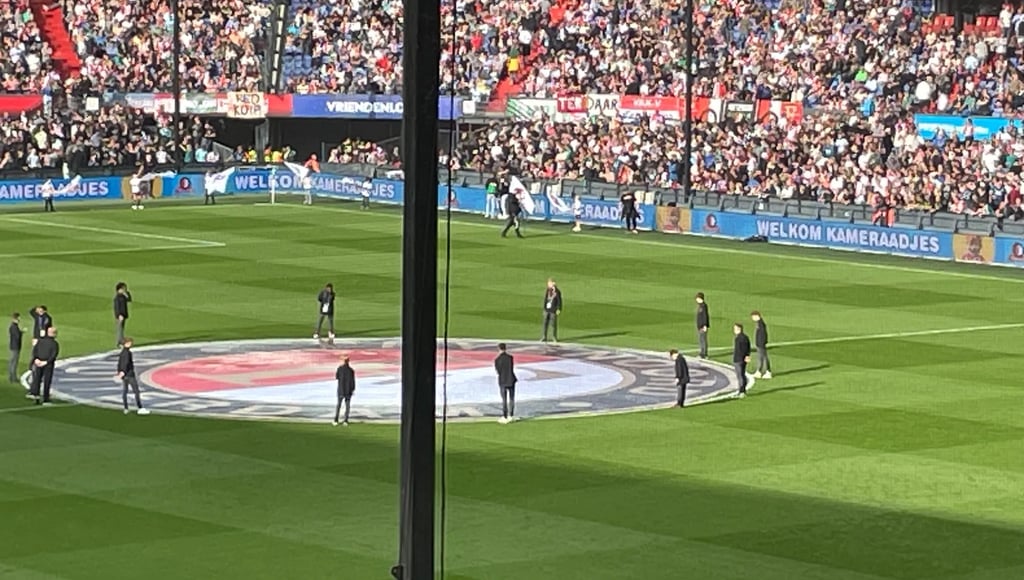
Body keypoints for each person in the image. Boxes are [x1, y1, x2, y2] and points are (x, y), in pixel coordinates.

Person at [116, 338, 149, 415]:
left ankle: (126, 408)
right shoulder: (128, 353)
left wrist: (120, 371)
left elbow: (120, 363)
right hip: (130, 374)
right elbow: (126, 363)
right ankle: (140, 408)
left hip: (125, 375)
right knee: (136, 391)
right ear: (126, 343)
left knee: (125, 391)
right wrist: (123, 371)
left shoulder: (122, 353)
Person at [29, 326, 59, 404]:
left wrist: (36, 359)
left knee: (37, 379)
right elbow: (53, 355)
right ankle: (46, 398)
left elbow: (35, 351)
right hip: (48, 364)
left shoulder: (40, 341)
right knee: (47, 381)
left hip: (38, 362)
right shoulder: (54, 344)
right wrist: (46, 362)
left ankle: (36, 396)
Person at [494, 343, 517, 423]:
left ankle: (504, 416)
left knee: (504, 399)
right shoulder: (510, 358)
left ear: (499, 349)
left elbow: (498, 371)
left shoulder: (497, 360)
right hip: (511, 379)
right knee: (511, 398)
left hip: (503, 380)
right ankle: (511, 415)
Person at [333, 354, 356, 426]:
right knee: (347, 406)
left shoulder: (340, 369)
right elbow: (353, 381)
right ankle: (345, 420)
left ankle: (336, 420)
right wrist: (352, 389)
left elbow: (337, 377)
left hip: (341, 390)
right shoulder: (351, 370)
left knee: (339, 405)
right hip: (348, 390)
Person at [732, 323, 751, 399]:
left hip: (738, 359)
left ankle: (742, 391)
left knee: (740, 376)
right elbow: (748, 347)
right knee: (742, 375)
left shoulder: (738, 338)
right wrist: (747, 355)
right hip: (743, 359)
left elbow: (739, 350)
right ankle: (742, 390)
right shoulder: (745, 337)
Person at [751, 311, 772, 379]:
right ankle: (759, 371)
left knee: (763, 357)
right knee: (761, 357)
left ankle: (767, 371)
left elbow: (763, 334)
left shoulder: (761, 324)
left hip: (761, 343)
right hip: (760, 343)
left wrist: (762, 343)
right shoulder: (759, 323)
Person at [541, 278, 562, 343]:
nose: (548, 284)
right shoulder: (548, 290)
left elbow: (559, 301)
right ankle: (544, 336)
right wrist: (544, 308)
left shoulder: (557, 291)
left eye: (549, 283)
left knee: (553, 324)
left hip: (553, 310)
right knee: (545, 323)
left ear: (553, 283)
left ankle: (554, 337)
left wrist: (559, 309)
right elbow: (545, 299)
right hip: (547, 310)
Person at [114, 282, 132, 347]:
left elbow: (129, 299)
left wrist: (126, 293)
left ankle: (120, 341)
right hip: (120, 316)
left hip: (124, 314)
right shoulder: (117, 298)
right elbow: (117, 307)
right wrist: (119, 315)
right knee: (120, 329)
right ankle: (120, 341)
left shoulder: (123, 296)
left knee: (122, 328)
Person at [9, 312, 23, 383]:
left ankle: (11, 377)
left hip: (13, 346)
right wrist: (21, 333)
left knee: (12, 362)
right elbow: (17, 336)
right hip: (15, 347)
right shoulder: (14, 326)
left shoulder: (12, 326)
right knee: (14, 362)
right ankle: (13, 378)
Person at [695, 293, 710, 359]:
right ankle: (702, 353)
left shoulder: (704, 306)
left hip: (702, 326)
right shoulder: (700, 306)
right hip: (700, 326)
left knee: (703, 340)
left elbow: (705, 316)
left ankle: (704, 354)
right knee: (701, 340)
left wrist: (705, 325)